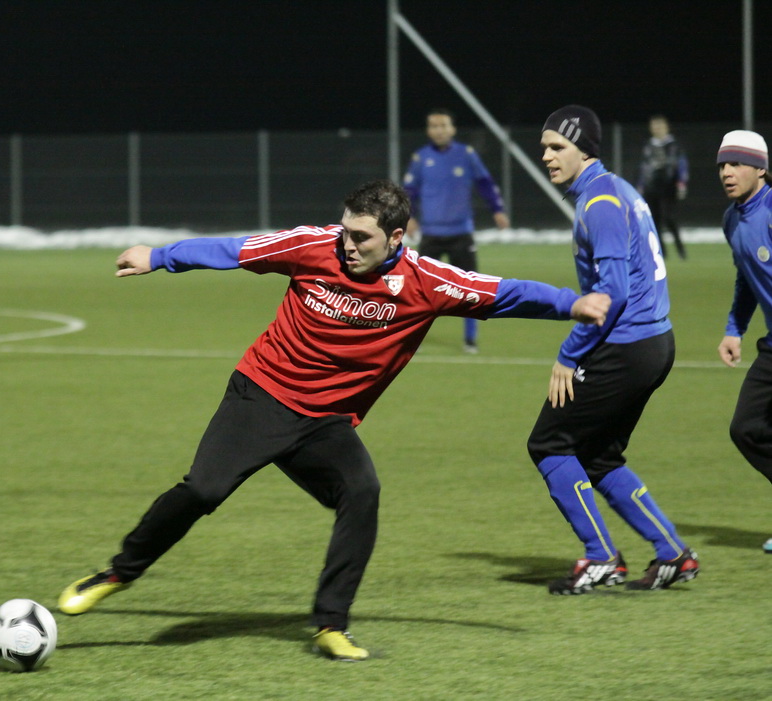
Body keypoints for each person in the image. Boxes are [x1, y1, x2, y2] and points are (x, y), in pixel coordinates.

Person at [57, 179, 610, 661]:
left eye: (362, 237)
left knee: (361, 493)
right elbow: (236, 249)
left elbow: (505, 292)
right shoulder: (312, 246)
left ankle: (330, 625)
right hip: (261, 395)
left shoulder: (428, 281)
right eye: (345, 231)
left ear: (397, 237)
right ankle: (118, 573)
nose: (347, 244)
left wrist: (572, 303)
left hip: (325, 423)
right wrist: (160, 256)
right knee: (203, 490)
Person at [529, 105, 699, 595]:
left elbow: (614, 294)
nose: (547, 156)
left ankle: (601, 557)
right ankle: (673, 554)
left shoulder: (600, 202)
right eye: (544, 148)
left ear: (584, 149)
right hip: (654, 343)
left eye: (557, 147)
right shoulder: (618, 190)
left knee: (549, 444)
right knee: (599, 456)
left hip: (626, 345)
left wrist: (569, 353)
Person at [402, 108, 510, 353]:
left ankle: (470, 339)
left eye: (443, 125)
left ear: (452, 129)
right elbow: (409, 191)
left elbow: (485, 183)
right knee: (420, 290)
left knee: (470, 289)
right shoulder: (421, 158)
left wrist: (497, 210)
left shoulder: (466, 154)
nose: (439, 130)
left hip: (461, 233)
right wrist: (409, 217)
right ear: (428, 130)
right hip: (431, 234)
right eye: (434, 126)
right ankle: (413, 336)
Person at [713, 129, 772, 555]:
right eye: (722, 165)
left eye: (736, 164)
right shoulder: (731, 220)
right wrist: (734, 328)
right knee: (747, 428)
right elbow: (747, 278)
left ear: (761, 169)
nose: (727, 172)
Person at [637, 114, 689, 260]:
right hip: (651, 187)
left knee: (669, 218)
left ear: (666, 127)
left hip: (669, 187)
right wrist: (640, 185)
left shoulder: (674, 145)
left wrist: (682, 183)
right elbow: (643, 168)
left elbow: (682, 164)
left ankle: (680, 249)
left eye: (659, 125)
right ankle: (661, 252)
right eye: (654, 126)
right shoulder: (648, 145)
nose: (656, 129)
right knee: (654, 220)